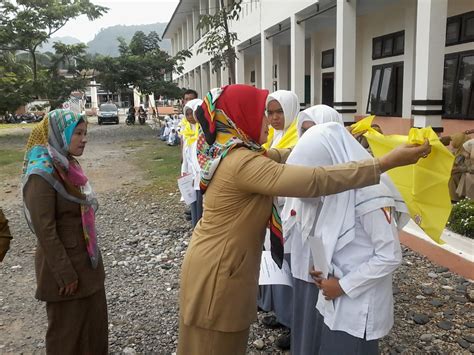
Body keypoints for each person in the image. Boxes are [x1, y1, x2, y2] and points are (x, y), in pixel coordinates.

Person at [176, 84, 431, 354]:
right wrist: (383, 163)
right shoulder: (242, 162)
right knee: (214, 346)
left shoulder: (233, 152)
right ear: (242, 116)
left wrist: (330, 139)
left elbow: (280, 154)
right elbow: (315, 180)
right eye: (261, 113)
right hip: (219, 270)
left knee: (205, 343)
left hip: (215, 262)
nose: (269, 122)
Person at [285, 122, 409, 354]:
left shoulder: (371, 193)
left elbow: (389, 256)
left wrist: (343, 286)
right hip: (334, 295)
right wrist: (320, 267)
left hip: (358, 305)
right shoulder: (334, 189)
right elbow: (331, 235)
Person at [22, 109, 108, 354]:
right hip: (65, 269)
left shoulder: (67, 163)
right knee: (67, 335)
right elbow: (44, 230)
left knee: (93, 327)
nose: (84, 139)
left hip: (86, 263)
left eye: (85, 133)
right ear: (60, 134)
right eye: (78, 133)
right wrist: (65, 274)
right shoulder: (42, 172)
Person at [280, 104, 344, 355]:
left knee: (320, 293)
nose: (308, 138)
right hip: (303, 236)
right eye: (303, 131)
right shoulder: (302, 164)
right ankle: (302, 340)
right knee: (304, 293)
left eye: (314, 130)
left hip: (324, 244)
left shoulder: (348, 170)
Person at [258, 90, 299, 350]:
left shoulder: (300, 138)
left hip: (290, 210)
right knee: (277, 261)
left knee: (294, 267)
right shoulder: (274, 137)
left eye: (279, 112)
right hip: (274, 210)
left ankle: (295, 323)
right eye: (270, 113)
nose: (273, 118)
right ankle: (282, 314)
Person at [182, 99, 204, 227]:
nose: (190, 117)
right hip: (192, 177)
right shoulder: (188, 133)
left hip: (202, 177)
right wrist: (185, 173)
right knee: (194, 205)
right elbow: (186, 157)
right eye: (187, 114)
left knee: (203, 207)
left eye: (192, 113)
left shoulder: (205, 133)